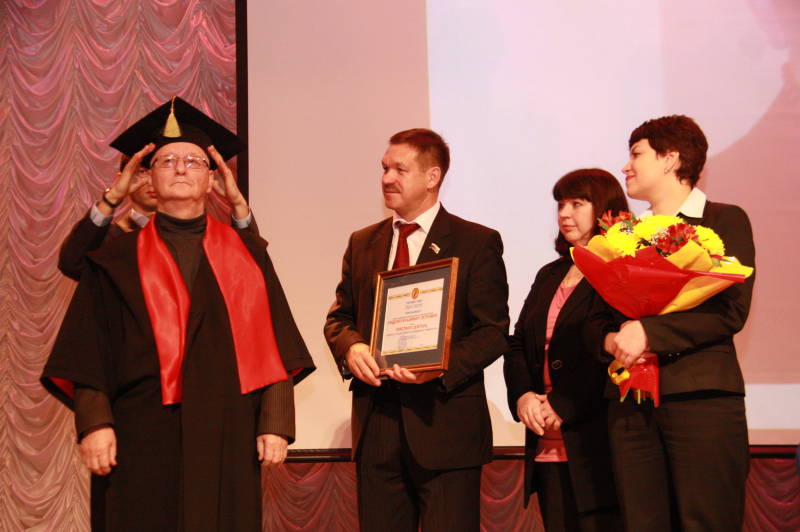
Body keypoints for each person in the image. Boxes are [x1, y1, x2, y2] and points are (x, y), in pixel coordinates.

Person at [41, 97, 315, 532]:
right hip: (139, 430)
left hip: (227, 428)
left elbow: (276, 340)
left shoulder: (247, 255)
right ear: (149, 178)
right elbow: (88, 350)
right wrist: (94, 424)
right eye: (168, 161)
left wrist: (275, 423)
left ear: (211, 180)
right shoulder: (113, 259)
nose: (181, 169)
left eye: (193, 161)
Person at [324, 128, 510, 531]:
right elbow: (339, 319)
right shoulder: (362, 242)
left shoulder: (475, 241)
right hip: (378, 428)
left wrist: (439, 366)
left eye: (400, 170)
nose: (387, 178)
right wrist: (352, 348)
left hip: (445, 427)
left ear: (432, 176)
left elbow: (492, 331)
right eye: (384, 168)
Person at [586, 115, 755, 531]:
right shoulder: (622, 234)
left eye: (636, 154)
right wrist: (610, 339)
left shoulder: (723, 219)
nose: (625, 166)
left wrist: (649, 333)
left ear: (670, 159)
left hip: (700, 400)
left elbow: (729, 310)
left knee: (707, 520)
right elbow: (594, 317)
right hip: (630, 403)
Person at [503, 169, 625, 532]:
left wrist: (564, 403)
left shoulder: (620, 270)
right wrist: (524, 395)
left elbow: (613, 352)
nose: (564, 214)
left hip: (596, 440)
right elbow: (517, 342)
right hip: (545, 441)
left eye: (577, 203)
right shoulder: (550, 273)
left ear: (604, 208)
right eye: (560, 205)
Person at [58, 148, 258, 281]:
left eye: (159, 169)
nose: (150, 180)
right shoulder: (110, 239)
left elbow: (252, 270)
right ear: (123, 179)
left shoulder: (207, 239)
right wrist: (112, 197)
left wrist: (238, 203)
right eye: (142, 172)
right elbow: (72, 263)